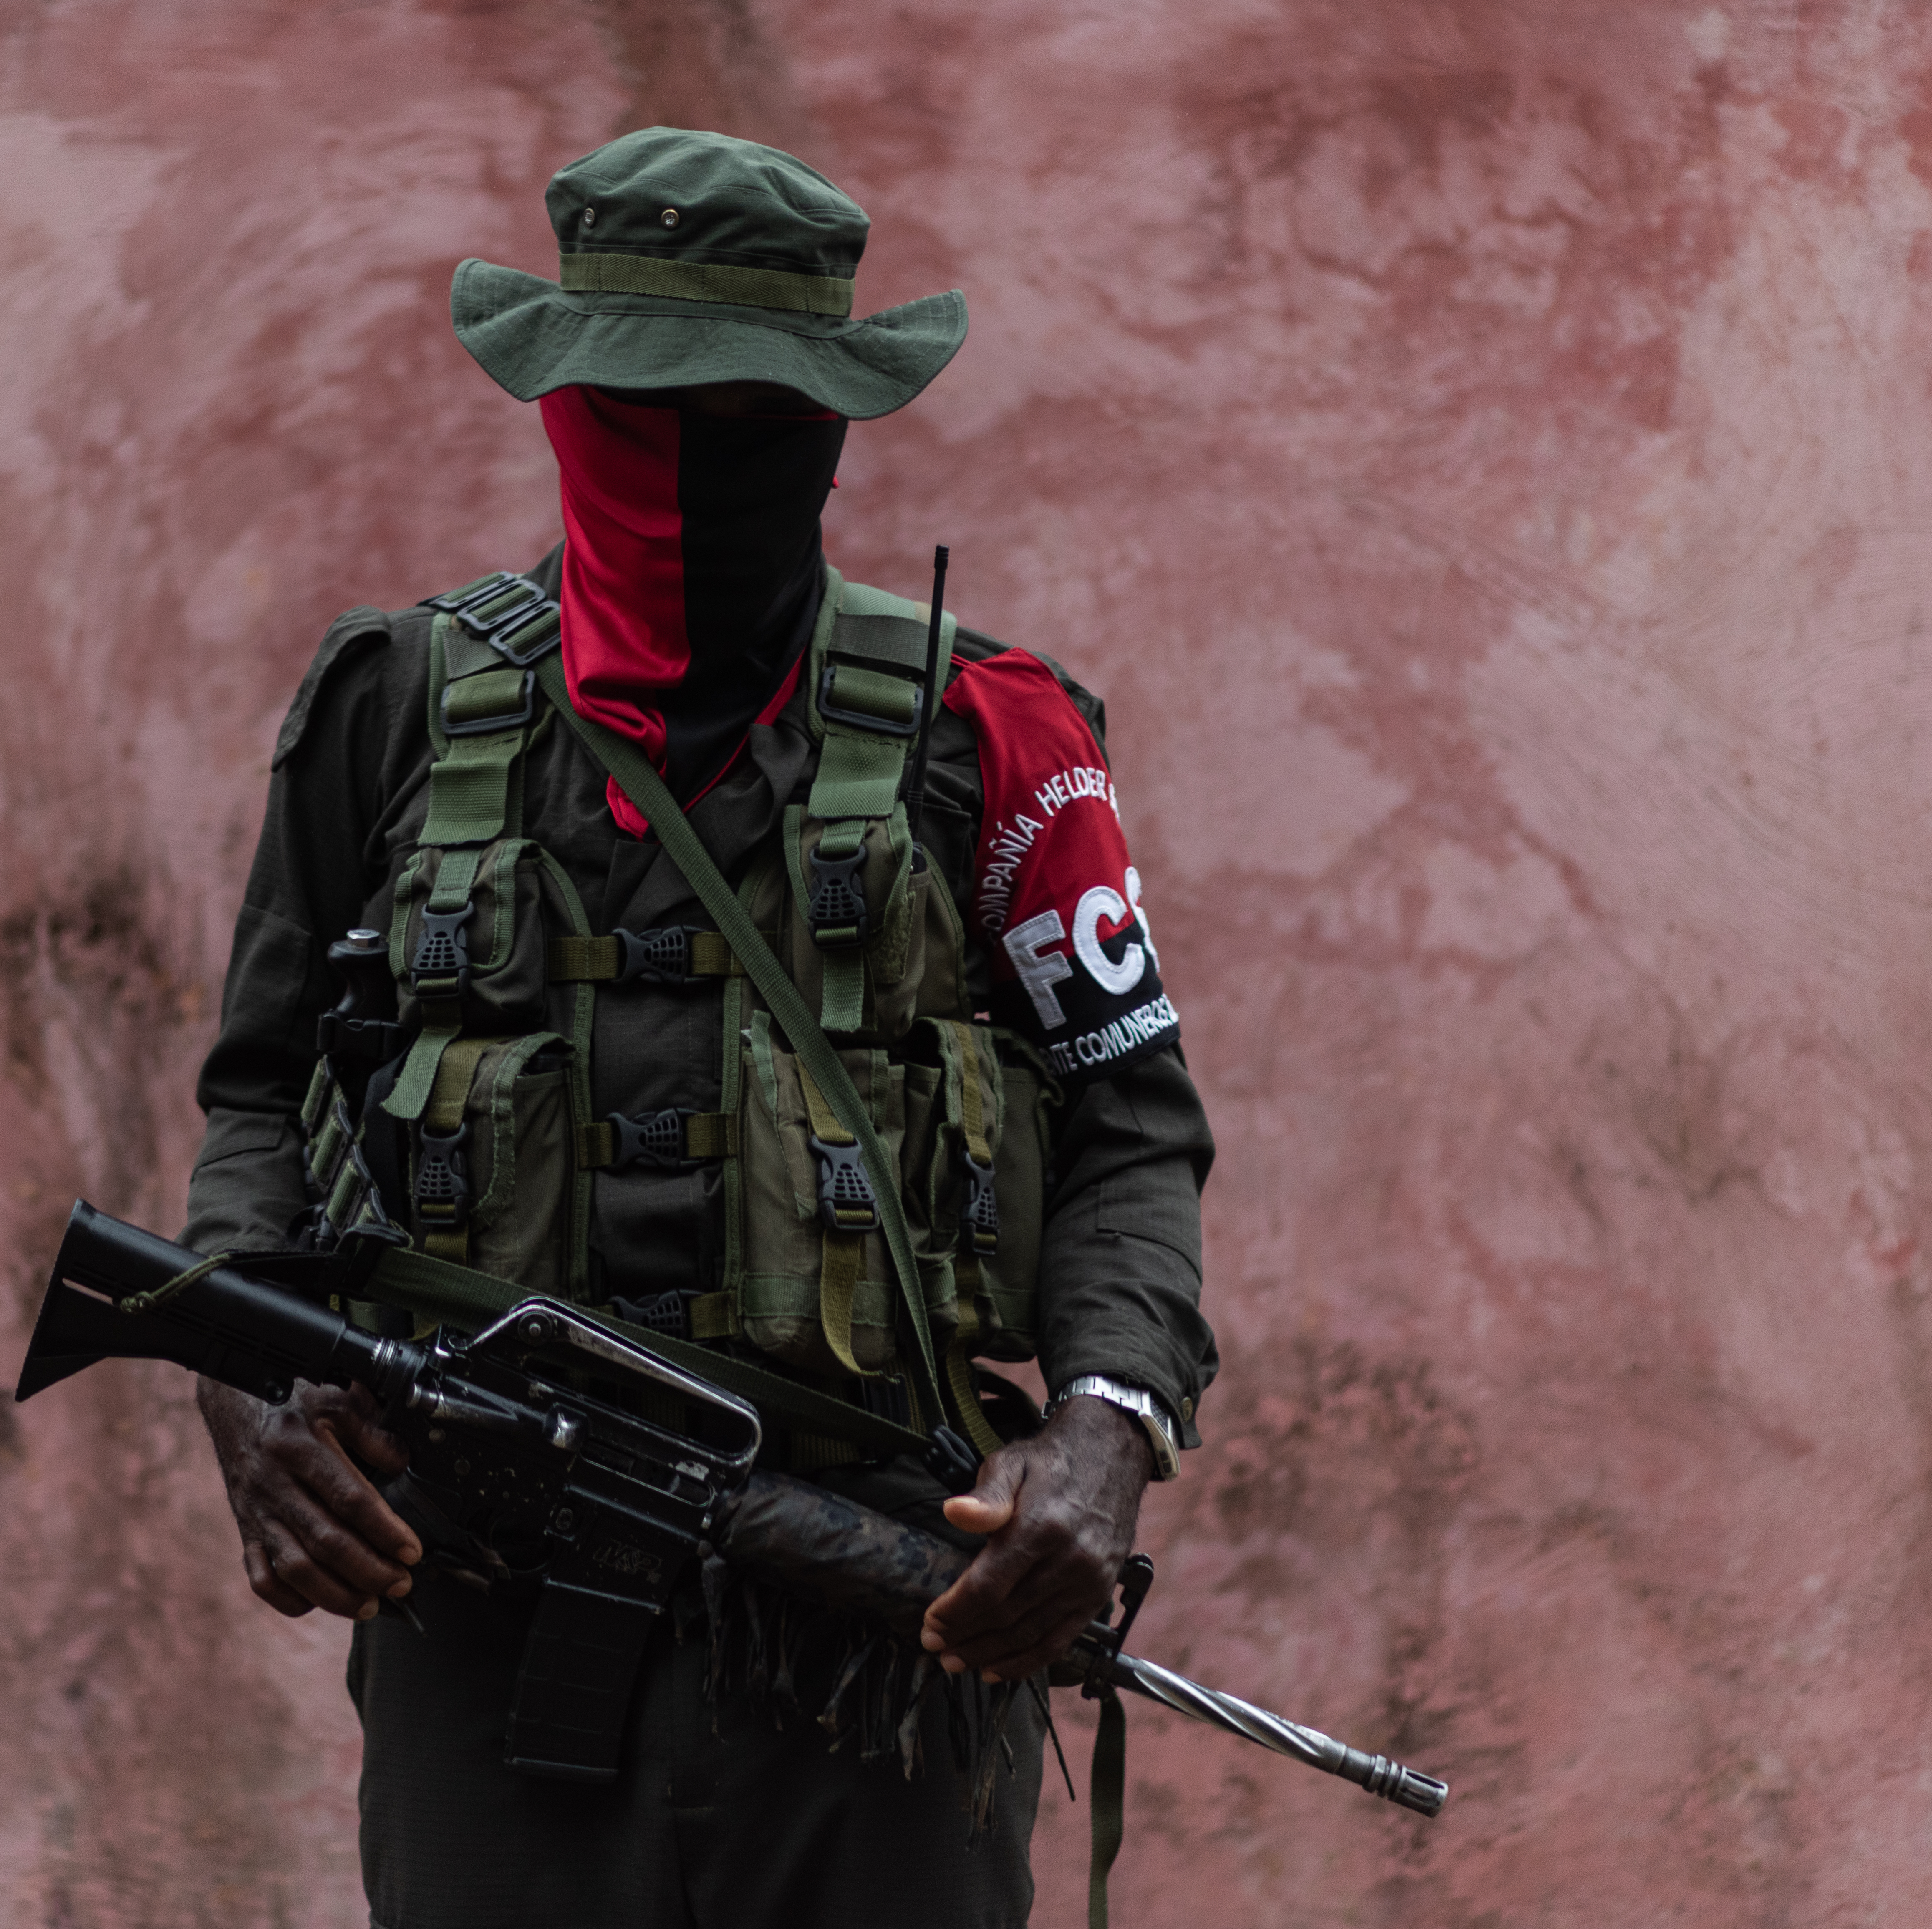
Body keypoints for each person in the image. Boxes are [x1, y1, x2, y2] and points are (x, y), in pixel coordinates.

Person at [179, 126, 1218, 1929]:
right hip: (482, 1599)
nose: (674, 468)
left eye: (739, 419)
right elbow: (259, 1093)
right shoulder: (395, 709)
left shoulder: (997, 736)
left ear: (829, 419)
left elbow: (1130, 1122)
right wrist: (245, 1376)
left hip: (877, 1619)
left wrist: (1104, 1432)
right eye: (628, 409)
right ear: (551, 397)